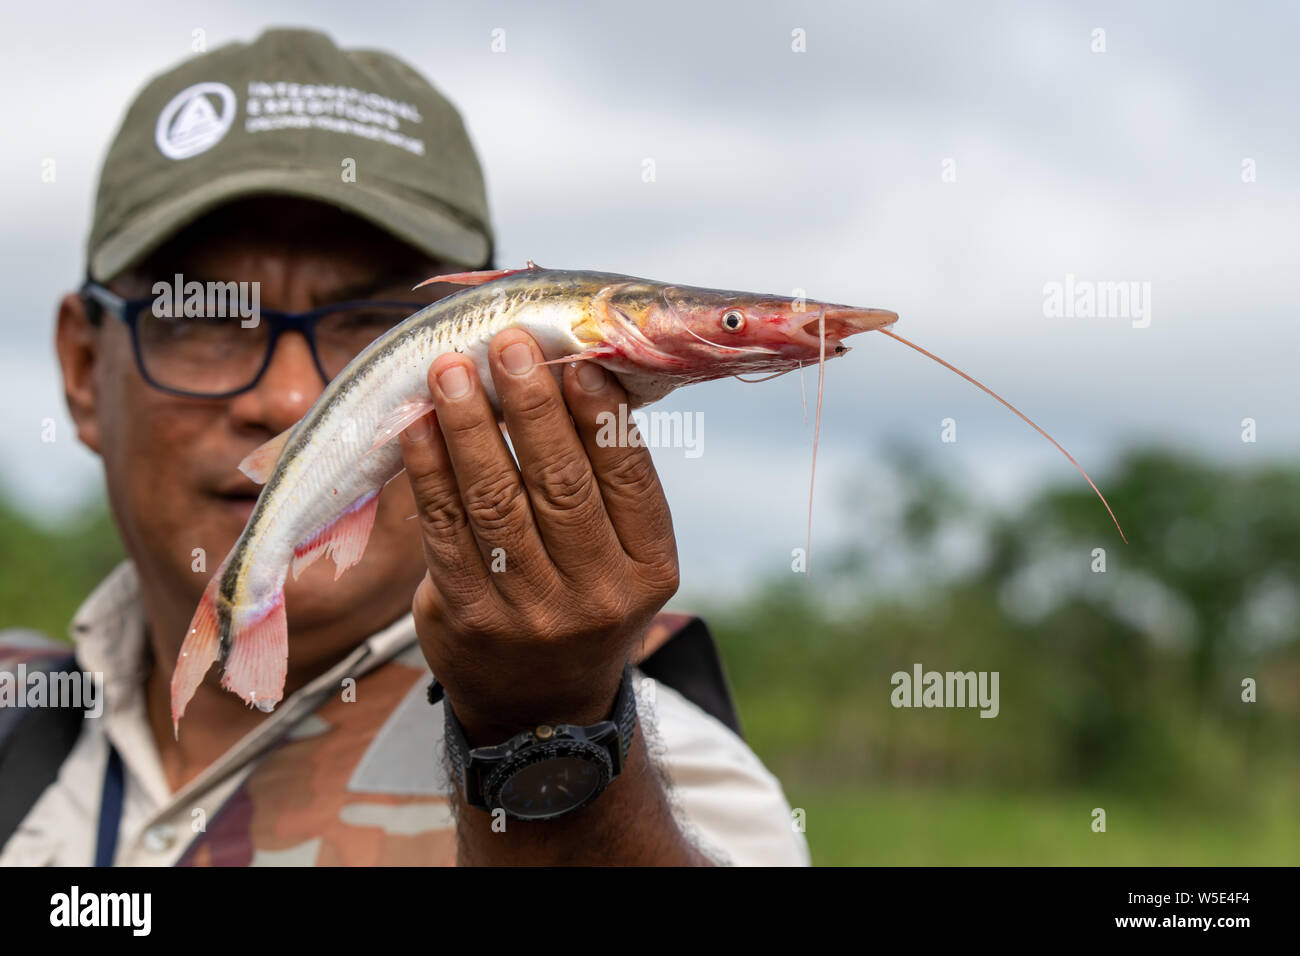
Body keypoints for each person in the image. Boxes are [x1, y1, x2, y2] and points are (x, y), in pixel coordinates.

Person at [0, 28, 809, 866]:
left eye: (373, 323)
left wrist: (556, 746)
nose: (286, 400)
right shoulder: (16, 713)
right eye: (209, 318)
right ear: (83, 369)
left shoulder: (688, 785)